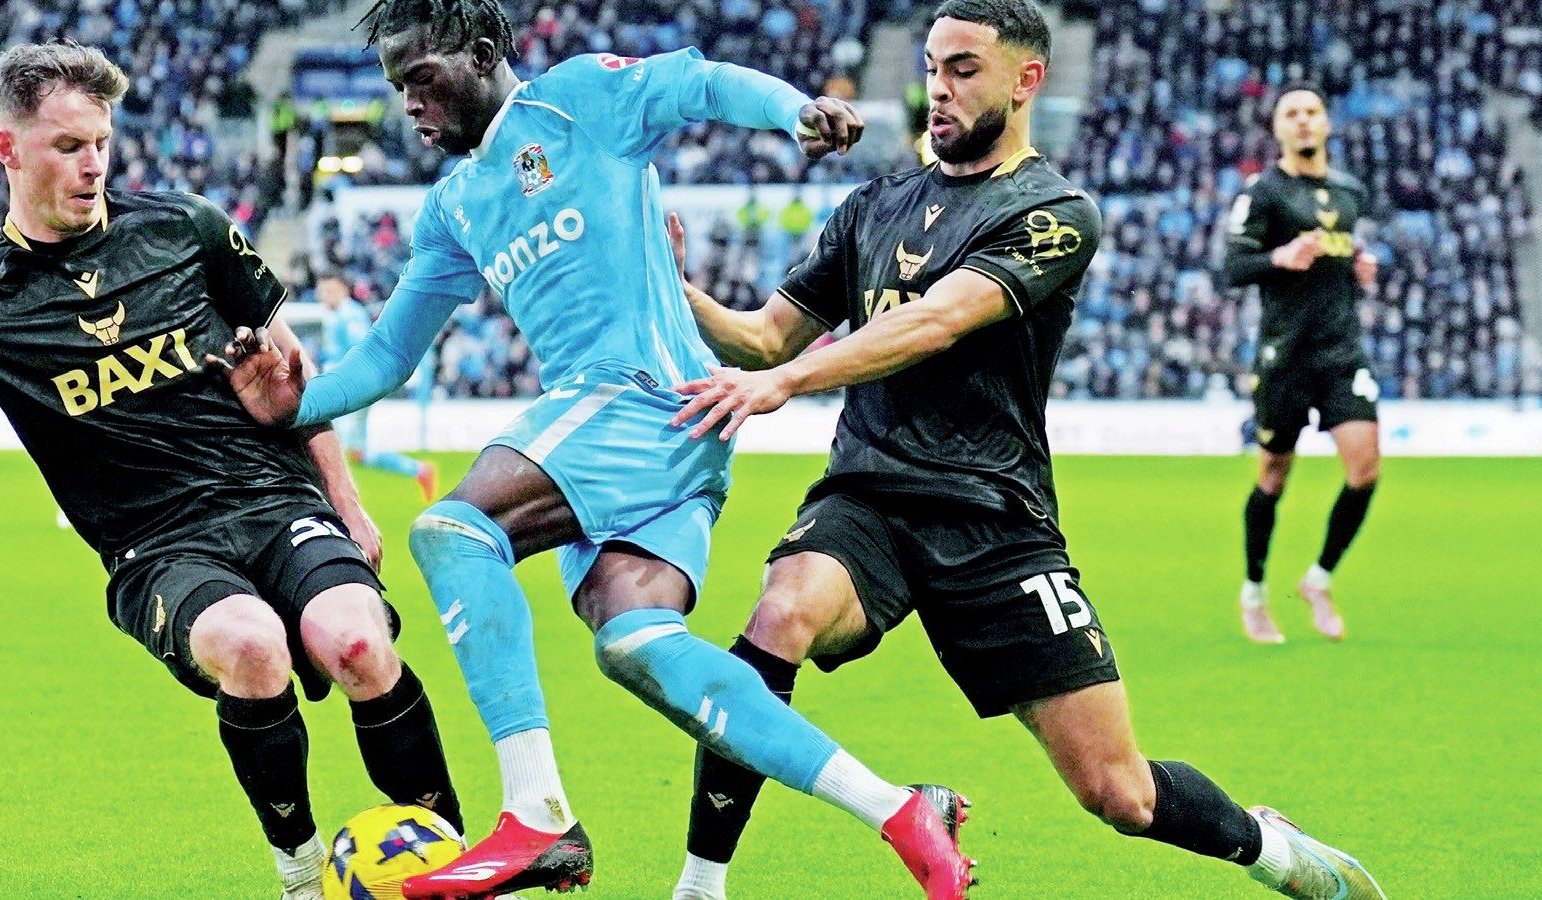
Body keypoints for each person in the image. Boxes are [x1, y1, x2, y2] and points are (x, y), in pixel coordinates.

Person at [213, 1, 974, 896]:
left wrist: (793, 108)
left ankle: (535, 814)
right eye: (396, 89)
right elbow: (386, 355)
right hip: (666, 438)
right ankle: (897, 807)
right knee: (638, 644)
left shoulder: (576, 102)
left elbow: (697, 82)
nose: (408, 107)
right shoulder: (456, 206)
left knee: (451, 534)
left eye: (420, 79)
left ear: (484, 53)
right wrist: (292, 403)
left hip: (636, 398)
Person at [665, 4, 1386, 899]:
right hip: (871, 497)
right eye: (933, 66)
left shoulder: (1053, 211)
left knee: (1118, 794)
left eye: (964, 68)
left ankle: (1274, 851)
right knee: (779, 616)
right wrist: (679, 286)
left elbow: (936, 321)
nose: (938, 86)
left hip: (996, 520)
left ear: (1025, 80)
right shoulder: (872, 206)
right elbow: (766, 338)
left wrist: (789, 383)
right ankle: (700, 885)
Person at [0, 41, 461, 900]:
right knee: (253, 649)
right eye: (68, 145)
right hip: (157, 548)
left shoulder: (188, 229)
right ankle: (301, 871)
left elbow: (297, 381)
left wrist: (349, 503)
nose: (92, 163)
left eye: (101, 141)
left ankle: (460, 859)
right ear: (8, 150)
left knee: (357, 640)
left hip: (273, 494)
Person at [1225, 84, 1382, 644]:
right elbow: (1232, 267)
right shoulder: (1262, 192)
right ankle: (1254, 592)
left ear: (1327, 124)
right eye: (1291, 114)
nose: (1304, 122)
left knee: (1364, 470)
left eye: (1312, 112)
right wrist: (1278, 257)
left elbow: (1340, 253)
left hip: (1341, 352)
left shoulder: (1349, 192)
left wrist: (1359, 265)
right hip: (1284, 356)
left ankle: (1318, 579)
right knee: (1273, 476)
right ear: (1278, 128)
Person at [315, 272, 440, 501]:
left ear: (344, 290)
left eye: (330, 290)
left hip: (351, 390)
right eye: (322, 291)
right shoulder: (332, 315)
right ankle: (420, 471)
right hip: (342, 389)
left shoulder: (350, 316)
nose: (324, 296)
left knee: (334, 449)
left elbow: (362, 353)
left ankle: (339, 505)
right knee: (356, 453)